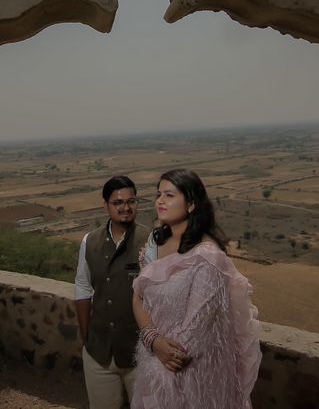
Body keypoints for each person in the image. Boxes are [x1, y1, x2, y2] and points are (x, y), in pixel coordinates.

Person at [131, 169, 261, 409]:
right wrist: (153, 340)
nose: (160, 200)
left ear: (191, 204)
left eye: (169, 195)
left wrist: (163, 354)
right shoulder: (155, 242)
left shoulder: (208, 256)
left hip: (190, 371)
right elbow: (138, 297)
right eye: (159, 194)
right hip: (152, 356)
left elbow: (196, 327)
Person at [75, 175, 151, 409]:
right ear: (106, 205)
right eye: (118, 202)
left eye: (131, 201)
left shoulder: (151, 242)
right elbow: (83, 287)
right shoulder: (90, 241)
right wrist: (87, 337)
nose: (125, 207)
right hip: (99, 353)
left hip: (140, 354)